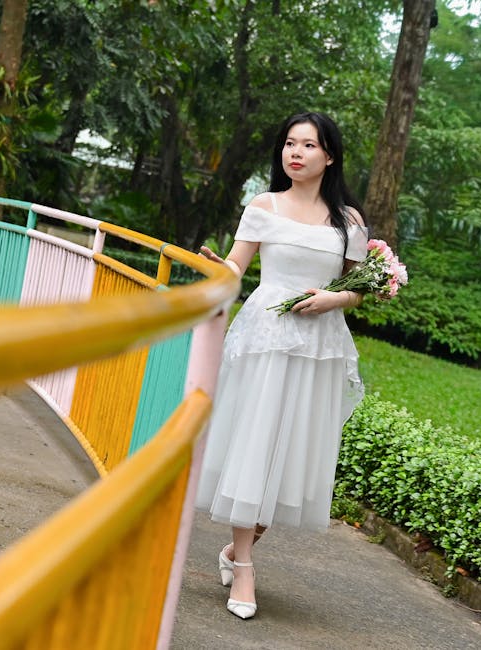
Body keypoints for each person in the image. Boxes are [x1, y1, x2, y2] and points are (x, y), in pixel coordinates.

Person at [195, 111, 368, 620]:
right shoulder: (263, 205)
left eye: (308, 145)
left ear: (329, 156)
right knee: (256, 444)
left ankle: (236, 550)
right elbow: (237, 264)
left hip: (319, 344)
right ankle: (244, 567)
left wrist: (334, 299)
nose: (296, 152)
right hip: (266, 338)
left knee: (291, 457)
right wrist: (217, 267)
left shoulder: (349, 222)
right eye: (290, 143)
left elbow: (358, 288)